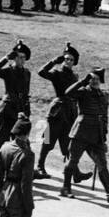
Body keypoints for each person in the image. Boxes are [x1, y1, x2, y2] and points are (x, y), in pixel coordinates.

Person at [61, 68, 109, 202]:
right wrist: (81, 82)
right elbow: (68, 93)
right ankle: (66, 188)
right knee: (73, 160)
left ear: (101, 81)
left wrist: (104, 138)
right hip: (81, 132)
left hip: (97, 135)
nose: (95, 81)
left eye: (97, 79)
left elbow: (105, 117)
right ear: (88, 81)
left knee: (102, 163)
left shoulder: (104, 95)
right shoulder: (83, 92)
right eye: (92, 79)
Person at [34, 43, 79, 178]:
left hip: (69, 112)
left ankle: (74, 171)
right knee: (48, 140)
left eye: (71, 59)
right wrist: (53, 61)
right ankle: (40, 166)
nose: (68, 62)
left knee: (68, 144)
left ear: (74, 62)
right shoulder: (57, 73)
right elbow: (41, 72)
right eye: (66, 59)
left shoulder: (74, 76)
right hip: (57, 111)